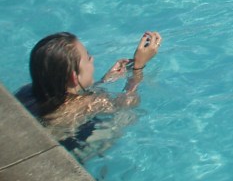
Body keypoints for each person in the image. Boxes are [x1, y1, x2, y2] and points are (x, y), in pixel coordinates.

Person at [16, 30, 161, 147]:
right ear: (74, 77)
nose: (92, 59)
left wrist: (106, 80)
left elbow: (72, 96)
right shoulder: (95, 102)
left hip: (35, 135)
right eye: (88, 57)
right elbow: (130, 101)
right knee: (128, 117)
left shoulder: (27, 91)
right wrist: (138, 67)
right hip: (71, 147)